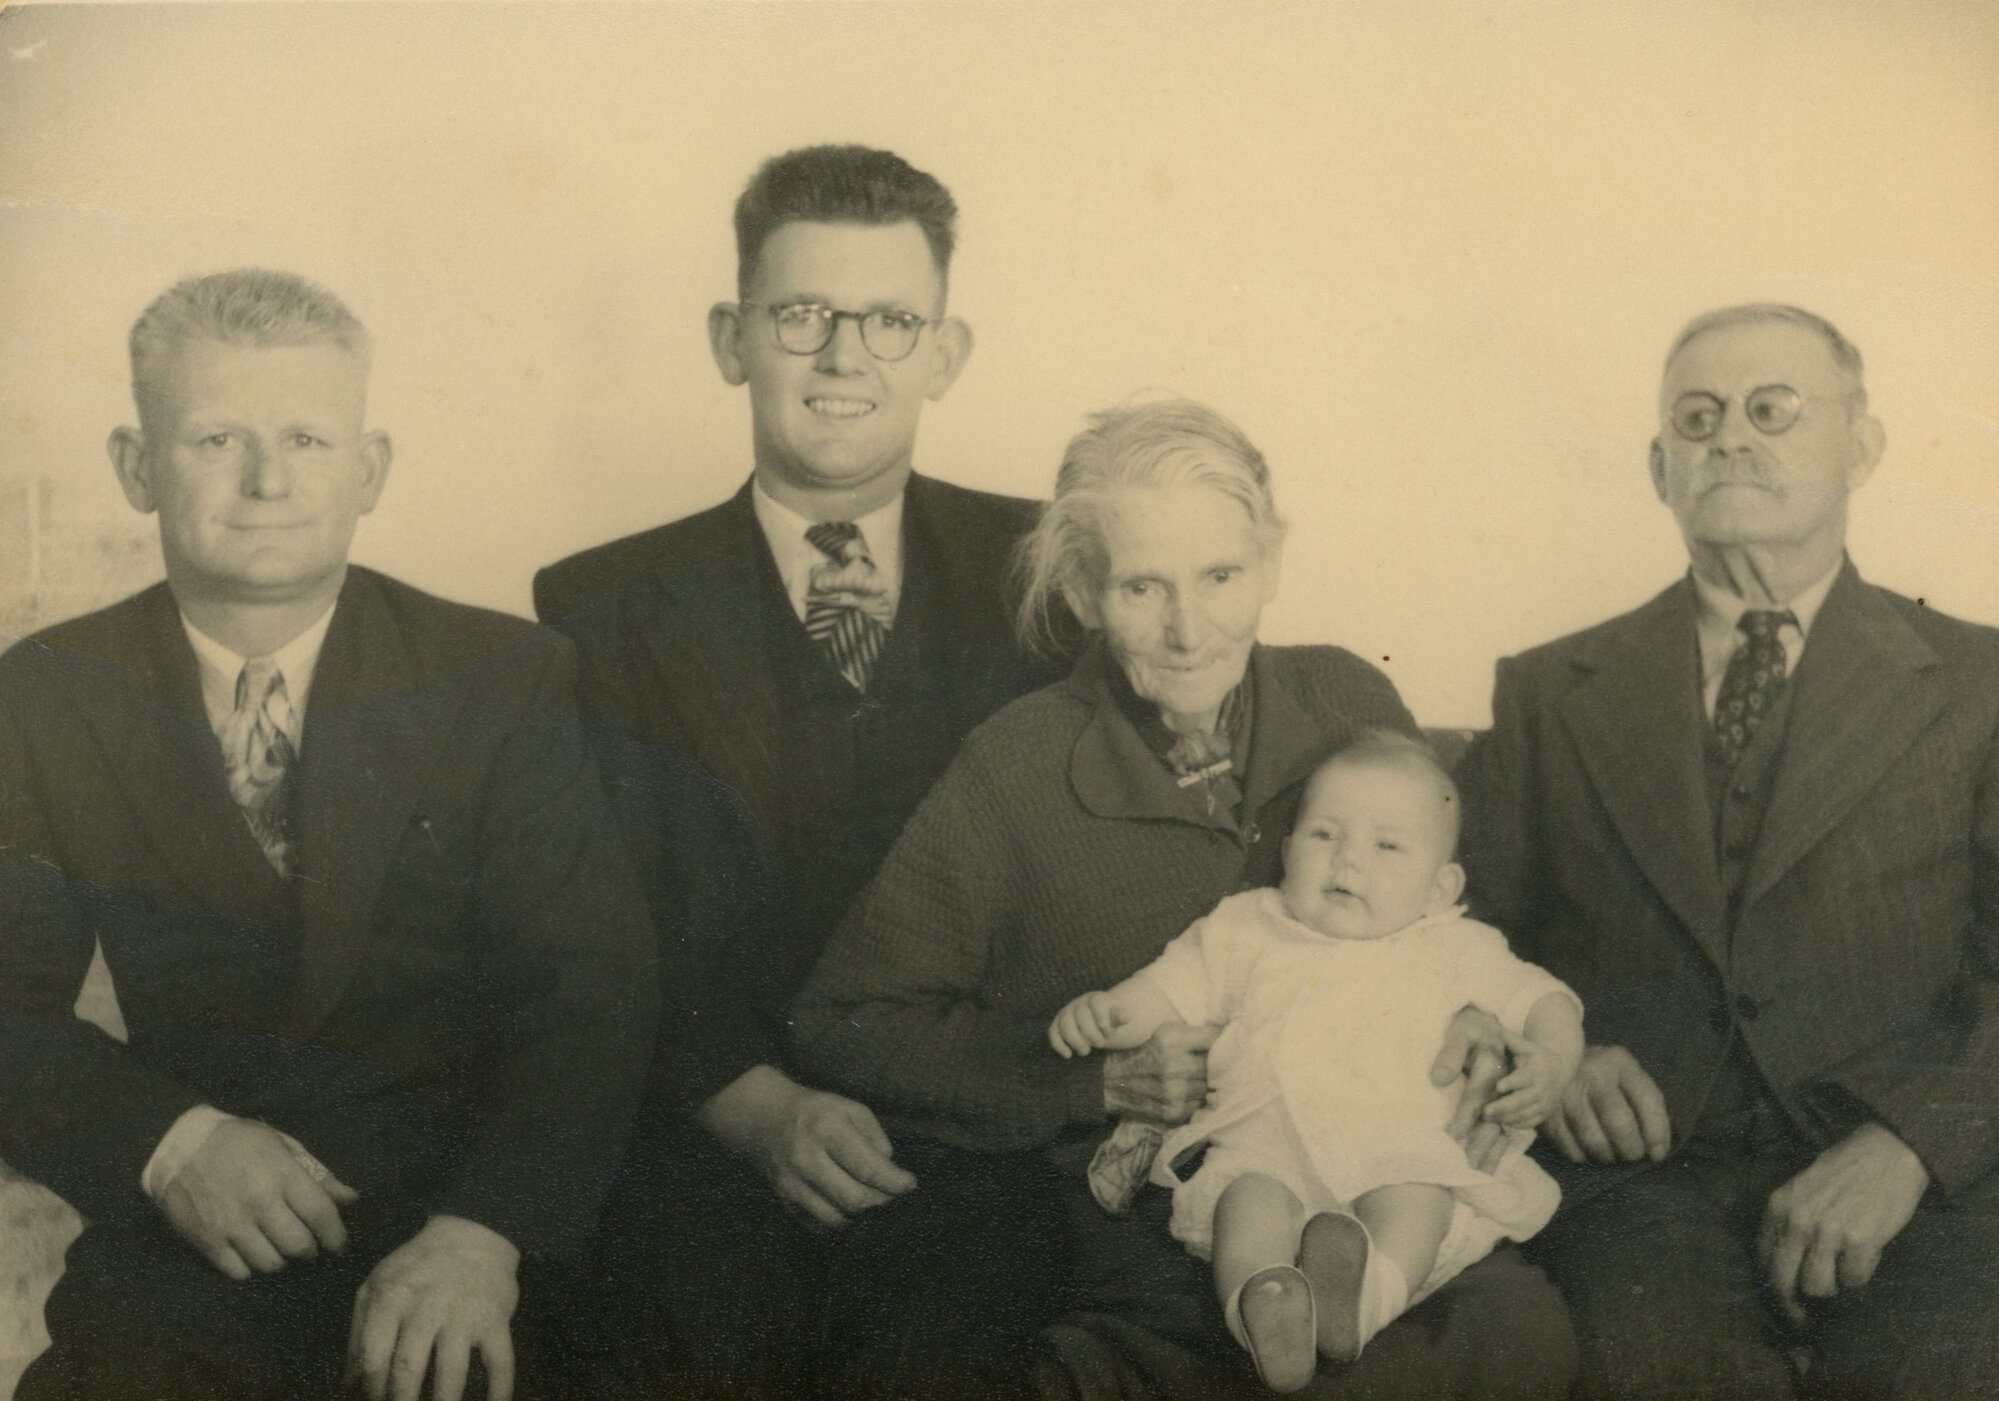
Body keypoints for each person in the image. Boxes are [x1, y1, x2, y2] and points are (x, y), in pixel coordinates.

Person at [796, 398, 1579, 1401]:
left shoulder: (1345, 699)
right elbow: (845, 1021)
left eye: (1221, 577)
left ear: (1271, 560)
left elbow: (1438, 901)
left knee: (1519, 1336)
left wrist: (1468, 1008)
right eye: (1140, 587)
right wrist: (1095, 1083)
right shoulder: (1014, 768)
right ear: (1082, 591)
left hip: (1379, 1166)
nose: (1188, 629)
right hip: (1162, 1208)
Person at [0, 269, 659, 1401]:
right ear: (135, 466)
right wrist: (170, 1142)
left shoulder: (497, 675)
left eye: (307, 438)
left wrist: (483, 1234)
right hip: (203, 1225)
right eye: (215, 438)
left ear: (369, 470)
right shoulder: (49, 691)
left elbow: (588, 989)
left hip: (459, 1217)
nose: (266, 481)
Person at [531, 146, 1057, 1398]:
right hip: (706, 1123)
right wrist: (745, 1103)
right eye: (802, 315)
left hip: (968, 1132)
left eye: (889, 321)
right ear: (733, 338)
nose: (843, 360)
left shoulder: (1050, 572)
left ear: (946, 351)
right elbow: (588, 919)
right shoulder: (597, 605)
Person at [1456, 303, 1999, 1398]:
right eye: (1696, 419)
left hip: (1914, 1170)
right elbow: (1462, 934)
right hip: (1638, 1183)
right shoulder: (1548, 691)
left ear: (1863, 445)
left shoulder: (1978, 685)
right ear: (1660, 469)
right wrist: (1548, 1047)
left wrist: (1909, 1145)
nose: (1730, 439)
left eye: (1771, 410)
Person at [1050, 732, 1582, 1391]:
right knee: (1245, 1200)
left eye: (1386, 846)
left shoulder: (1454, 943)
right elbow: (1170, 987)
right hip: (1266, 1146)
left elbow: (1542, 999)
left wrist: (1552, 1064)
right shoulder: (1247, 924)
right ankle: (1266, 1305)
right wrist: (1107, 1011)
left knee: (1420, 1194)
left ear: (1440, 885)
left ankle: (1360, 1303)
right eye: (1324, 835)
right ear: (1286, 849)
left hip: (1398, 1147)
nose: (1348, 863)